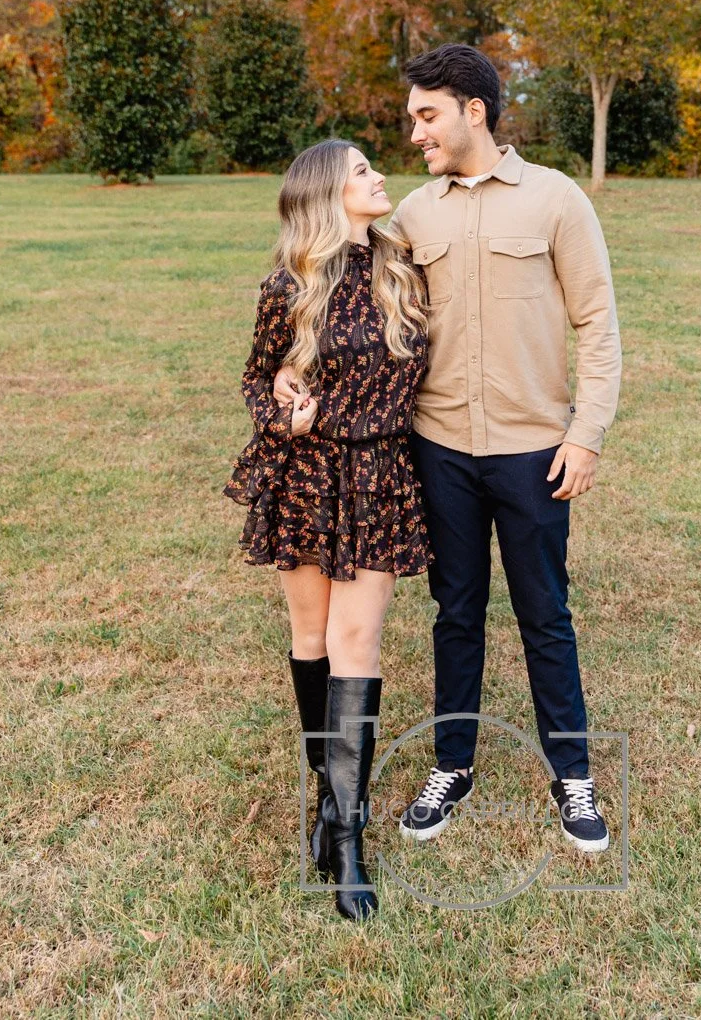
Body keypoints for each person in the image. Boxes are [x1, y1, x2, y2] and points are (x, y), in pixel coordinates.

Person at [276, 45, 623, 855]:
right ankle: (452, 765)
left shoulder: (558, 202)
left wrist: (586, 434)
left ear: (474, 110)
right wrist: (290, 373)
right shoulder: (411, 219)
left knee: (546, 615)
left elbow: (598, 325)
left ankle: (571, 774)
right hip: (436, 451)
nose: (415, 133)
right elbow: (339, 293)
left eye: (426, 115)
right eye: (410, 119)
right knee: (455, 613)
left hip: (535, 450)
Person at [225, 139, 431, 922]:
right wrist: (283, 408)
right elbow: (255, 373)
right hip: (306, 474)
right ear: (327, 195)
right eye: (363, 172)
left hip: (377, 474)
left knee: (359, 642)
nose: (380, 178)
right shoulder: (290, 284)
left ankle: (348, 837)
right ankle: (326, 795)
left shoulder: (402, 267)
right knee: (310, 634)